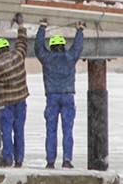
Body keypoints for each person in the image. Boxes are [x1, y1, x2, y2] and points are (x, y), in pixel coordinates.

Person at [34, 20, 85, 169]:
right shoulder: (70, 57)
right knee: (67, 130)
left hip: (52, 97)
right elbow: (78, 47)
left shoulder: (47, 59)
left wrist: (42, 28)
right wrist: (79, 31)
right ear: (63, 46)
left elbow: (38, 48)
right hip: (68, 96)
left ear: (52, 46)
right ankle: (67, 160)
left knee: (51, 130)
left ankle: (50, 161)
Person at [0, 23, 29, 168]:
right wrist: (21, 27)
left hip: (5, 104)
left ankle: (7, 158)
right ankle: (19, 159)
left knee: (6, 131)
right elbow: (22, 43)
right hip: (21, 101)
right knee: (19, 131)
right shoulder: (18, 56)